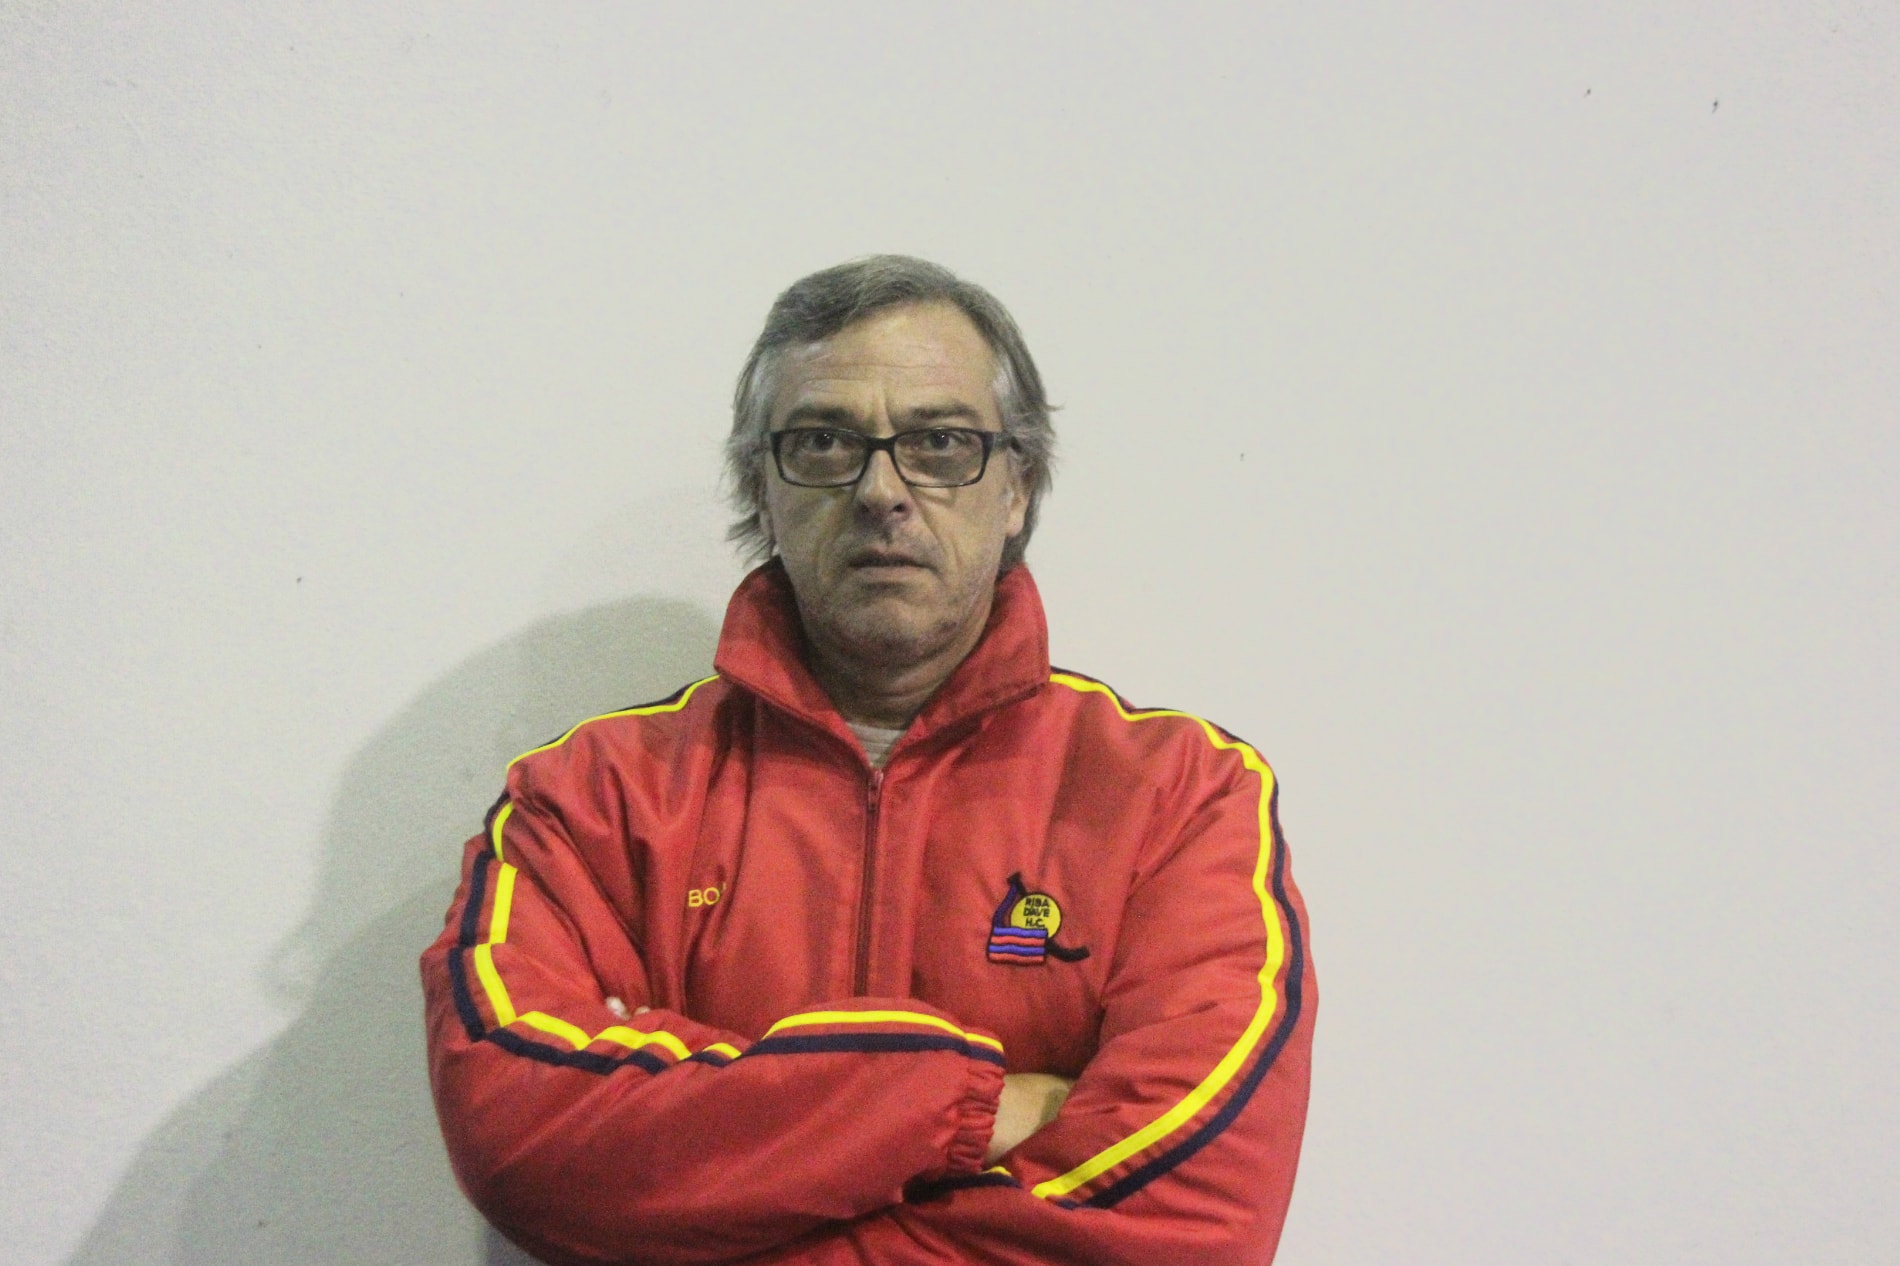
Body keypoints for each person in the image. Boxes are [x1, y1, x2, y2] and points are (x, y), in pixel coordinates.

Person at [420, 256, 1316, 1265]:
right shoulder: (593, 796)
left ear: (1017, 485)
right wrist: (973, 1105)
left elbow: (1193, 1220)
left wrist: (722, 1144)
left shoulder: (1180, 793)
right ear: (760, 486)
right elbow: (525, 1141)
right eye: (823, 443)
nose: (880, 490)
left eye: (940, 443)